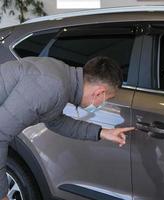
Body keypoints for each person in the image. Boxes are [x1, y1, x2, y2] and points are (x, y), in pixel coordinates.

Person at [0, 56, 134, 200]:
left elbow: (55, 121)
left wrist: (102, 132)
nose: (103, 103)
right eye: (107, 99)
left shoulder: (61, 77)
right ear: (99, 93)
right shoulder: (51, 86)